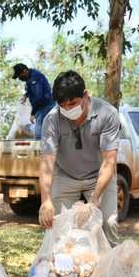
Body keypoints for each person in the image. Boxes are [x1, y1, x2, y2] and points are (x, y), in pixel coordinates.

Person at [38, 70, 120, 246]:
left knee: (108, 223)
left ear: (85, 95)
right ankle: (65, 270)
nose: (68, 109)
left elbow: (109, 161)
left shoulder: (107, 113)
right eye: (63, 106)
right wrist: (46, 201)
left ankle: (109, 270)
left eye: (73, 103)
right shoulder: (51, 120)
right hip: (65, 175)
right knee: (58, 227)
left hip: (99, 176)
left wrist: (94, 199)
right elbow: (47, 163)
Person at [12, 63, 56, 140]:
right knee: (42, 128)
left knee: (39, 131)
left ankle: (40, 149)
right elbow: (31, 90)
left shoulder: (35, 77)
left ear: (25, 71)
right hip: (42, 106)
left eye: (20, 76)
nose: (19, 78)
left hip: (46, 106)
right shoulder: (30, 77)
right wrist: (25, 96)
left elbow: (38, 97)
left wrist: (33, 113)